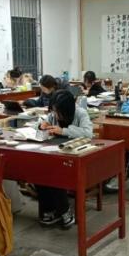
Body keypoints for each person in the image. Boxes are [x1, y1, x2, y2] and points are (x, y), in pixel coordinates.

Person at [35, 90, 94, 227]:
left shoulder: (80, 113)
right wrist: (41, 126)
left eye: (57, 112)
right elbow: (39, 123)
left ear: (67, 109)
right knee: (38, 173)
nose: (55, 115)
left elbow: (88, 133)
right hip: (56, 155)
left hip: (75, 158)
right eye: (53, 111)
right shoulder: (53, 114)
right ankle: (49, 211)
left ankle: (64, 211)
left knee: (56, 174)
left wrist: (63, 131)